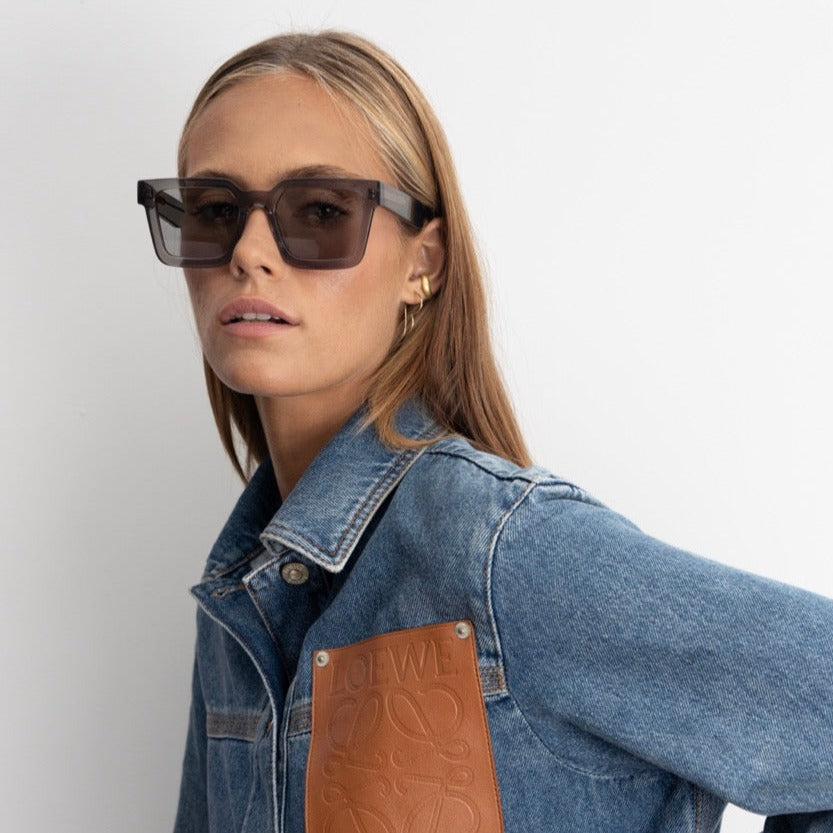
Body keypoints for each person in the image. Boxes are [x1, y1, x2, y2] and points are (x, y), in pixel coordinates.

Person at [137, 30, 833, 833]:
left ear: (422, 262)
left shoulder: (502, 554)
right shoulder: (238, 596)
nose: (249, 252)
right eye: (214, 211)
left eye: (321, 211)